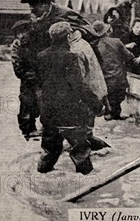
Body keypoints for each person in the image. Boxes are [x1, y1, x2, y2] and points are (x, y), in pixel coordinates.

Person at [36, 22, 102, 174]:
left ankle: (40, 177)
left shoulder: (41, 56)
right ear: (67, 36)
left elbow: (38, 85)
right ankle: (87, 185)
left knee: (50, 150)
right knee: (81, 151)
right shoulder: (71, 57)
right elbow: (79, 86)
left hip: (48, 113)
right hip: (69, 113)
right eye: (71, 33)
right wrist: (96, 105)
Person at [90, 21, 135, 120]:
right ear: (106, 31)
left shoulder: (93, 45)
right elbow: (128, 56)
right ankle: (114, 114)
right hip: (118, 76)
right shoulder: (116, 41)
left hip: (103, 77)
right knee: (118, 96)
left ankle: (109, 113)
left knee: (109, 97)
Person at [10, 20, 40, 139]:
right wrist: (27, 74)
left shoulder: (37, 42)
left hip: (40, 77)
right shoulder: (17, 45)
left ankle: (47, 127)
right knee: (27, 102)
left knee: (44, 102)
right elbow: (17, 65)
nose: (22, 35)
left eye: (24, 31)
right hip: (27, 78)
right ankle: (28, 129)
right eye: (19, 33)